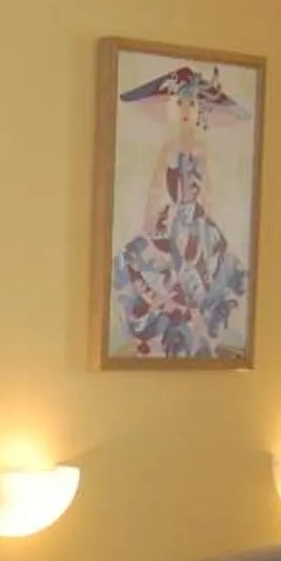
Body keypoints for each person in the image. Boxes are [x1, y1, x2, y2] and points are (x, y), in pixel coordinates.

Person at [111, 63, 253, 359]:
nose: (188, 109)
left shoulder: (200, 147)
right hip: (172, 215)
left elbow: (208, 187)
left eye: (192, 103)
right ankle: (160, 332)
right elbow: (154, 185)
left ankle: (195, 334)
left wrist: (206, 217)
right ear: (175, 108)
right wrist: (151, 218)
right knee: (151, 263)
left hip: (196, 219)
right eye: (183, 103)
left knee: (204, 269)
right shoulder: (169, 146)